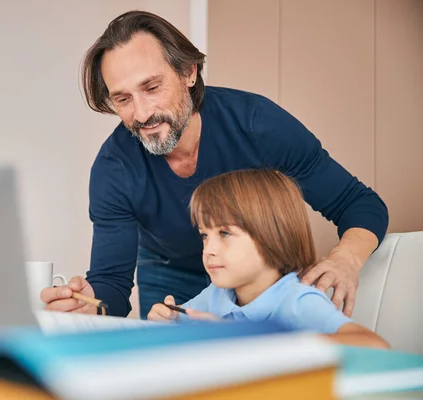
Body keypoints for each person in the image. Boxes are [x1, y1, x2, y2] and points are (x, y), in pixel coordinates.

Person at [41, 10, 388, 319]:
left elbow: (357, 204)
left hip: (260, 275)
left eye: (152, 87)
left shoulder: (257, 124)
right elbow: (111, 289)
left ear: (188, 72)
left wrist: (346, 258)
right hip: (168, 271)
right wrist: (91, 303)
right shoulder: (113, 169)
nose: (142, 113)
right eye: (123, 98)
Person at [147, 169, 389, 349]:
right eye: (204, 236)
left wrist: (253, 339)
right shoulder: (217, 295)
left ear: (273, 235)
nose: (208, 249)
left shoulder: (297, 300)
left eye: (224, 233)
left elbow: (375, 346)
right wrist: (169, 320)